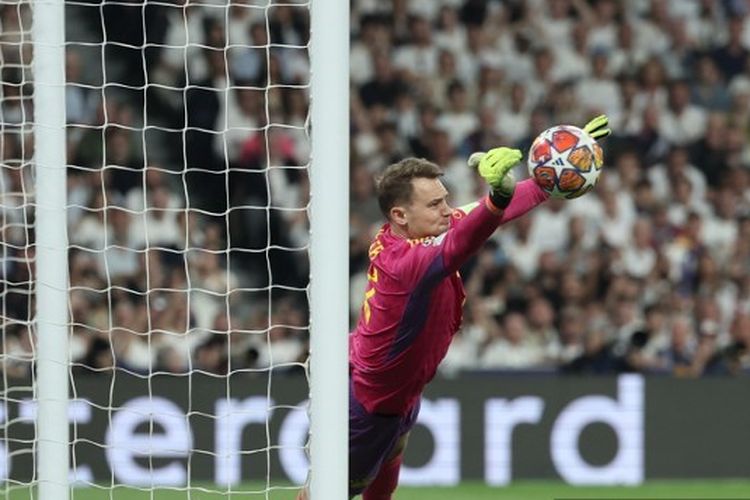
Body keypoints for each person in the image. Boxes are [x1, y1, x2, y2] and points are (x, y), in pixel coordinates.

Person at [296, 115, 610, 500]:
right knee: (328, 494)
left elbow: (481, 213)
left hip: (394, 385)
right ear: (400, 215)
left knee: (392, 455)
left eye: (445, 199)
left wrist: (564, 163)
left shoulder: (414, 232)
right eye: (436, 204)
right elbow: (463, 241)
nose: (448, 210)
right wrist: (497, 199)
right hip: (371, 400)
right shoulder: (406, 263)